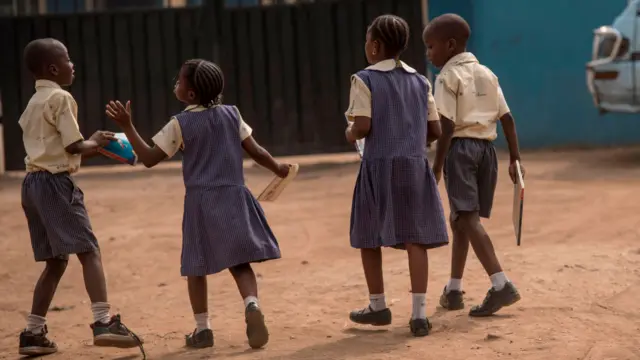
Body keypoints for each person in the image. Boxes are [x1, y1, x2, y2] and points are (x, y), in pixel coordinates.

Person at [105, 59, 289, 349]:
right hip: (234, 195)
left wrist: (127, 126)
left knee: (196, 265)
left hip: (201, 202)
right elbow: (256, 151)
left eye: (179, 81)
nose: (175, 84)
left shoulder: (180, 123)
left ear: (190, 95)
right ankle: (251, 305)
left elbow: (150, 158)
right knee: (240, 262)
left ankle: (203, 329)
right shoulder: (232, 114)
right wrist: (278, 169)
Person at [18, 38, 142, 356]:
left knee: (55, 262)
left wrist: (91, 146)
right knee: (89, 251)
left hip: (32, 185)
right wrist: (97, 141)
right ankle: (103, 322)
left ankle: (33, 332)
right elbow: (74, 146)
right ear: (54, 68)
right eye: (69, 59)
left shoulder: (32, 104)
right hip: (57, 186)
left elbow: (56, 150)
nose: (74, 64)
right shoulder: (61, 98)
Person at [345, 14, 449, 337]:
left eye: (367, 39)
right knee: (414, 237)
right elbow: (435, 129)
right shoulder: (420, 80)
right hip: (414, 166)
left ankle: (378, 305)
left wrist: (349, 133)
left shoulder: (363, 79)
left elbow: (362, 126)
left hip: (378, 166)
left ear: (374, 46)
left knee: (367, 235)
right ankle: (419, 314)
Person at [424, 13, 525, 317]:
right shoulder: (487, 73)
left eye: (431, 47)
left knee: (467, 218)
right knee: (461, 220)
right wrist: (515, 158)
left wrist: (438, 166)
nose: (429, 54)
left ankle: (500, 283)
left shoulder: (447, 77)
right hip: (487, 152)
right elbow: (507, 118)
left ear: (450, 45)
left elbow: (446, 123)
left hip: (461, 150)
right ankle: (453, 290)